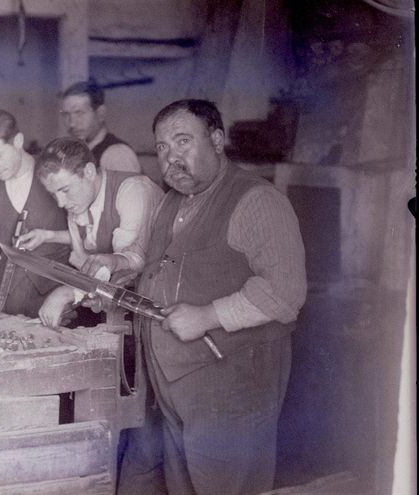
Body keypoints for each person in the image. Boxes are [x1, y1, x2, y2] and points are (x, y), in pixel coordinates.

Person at [136, 99, 306, 495]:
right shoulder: (170, 203)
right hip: (179, 385)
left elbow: (285, 291)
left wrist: (208, 315)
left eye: (182, 142)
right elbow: (161, 269)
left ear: (216, 140)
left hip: (232, 385)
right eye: (162, 147)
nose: (171, 157)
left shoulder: (257, 200)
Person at [31, 137, 163, 328]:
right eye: (53, 194)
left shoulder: (134, 189)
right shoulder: (78, 205)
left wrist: (68, 293)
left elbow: (132, 260)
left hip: (164, 308)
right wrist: (79, 298)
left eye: (65, 189)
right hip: (127, 313)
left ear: (89, 172)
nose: (60, 202)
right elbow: (88, 266)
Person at [0, 108, 70, 319]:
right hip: (7, 307)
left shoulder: (57, 175)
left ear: (18, 141)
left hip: (58, 311)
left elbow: (90, 238)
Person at [60, 80, 141, 174]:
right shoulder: (80, 152)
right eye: (66, 115)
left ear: (100, 113)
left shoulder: (116, 154)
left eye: (79, 113)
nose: (72, 124)